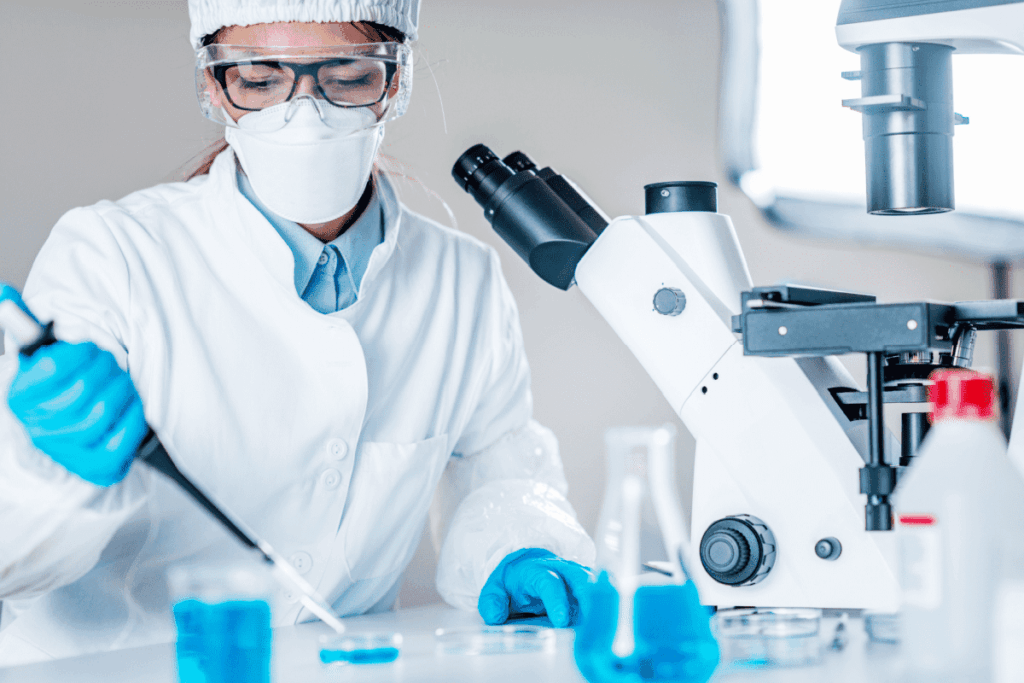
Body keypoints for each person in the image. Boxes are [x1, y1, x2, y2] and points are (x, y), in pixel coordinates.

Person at [0, 0, 595, 665]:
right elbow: (11, 558)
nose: (304, 115)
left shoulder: (463, 280)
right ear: (212, 86)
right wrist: (45, 472)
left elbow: (498, 472)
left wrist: (517, 547)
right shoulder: (111, 255)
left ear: (394, 82)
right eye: (258, 80)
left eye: (346, 76)